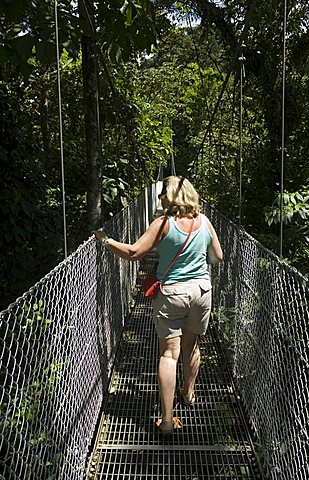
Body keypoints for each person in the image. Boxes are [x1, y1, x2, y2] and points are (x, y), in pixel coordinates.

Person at [92, 176, 223, 436]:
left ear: (170, 196)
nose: (160, 197)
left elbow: (133, 253)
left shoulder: (162, 223)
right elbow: (217, 257)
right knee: (191, 344)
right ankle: (189, 393)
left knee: (168, 355)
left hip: (172, 294)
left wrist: (105, 241)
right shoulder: (204, 221)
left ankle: (166, 421)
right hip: (201, 292)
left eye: (163, 193)